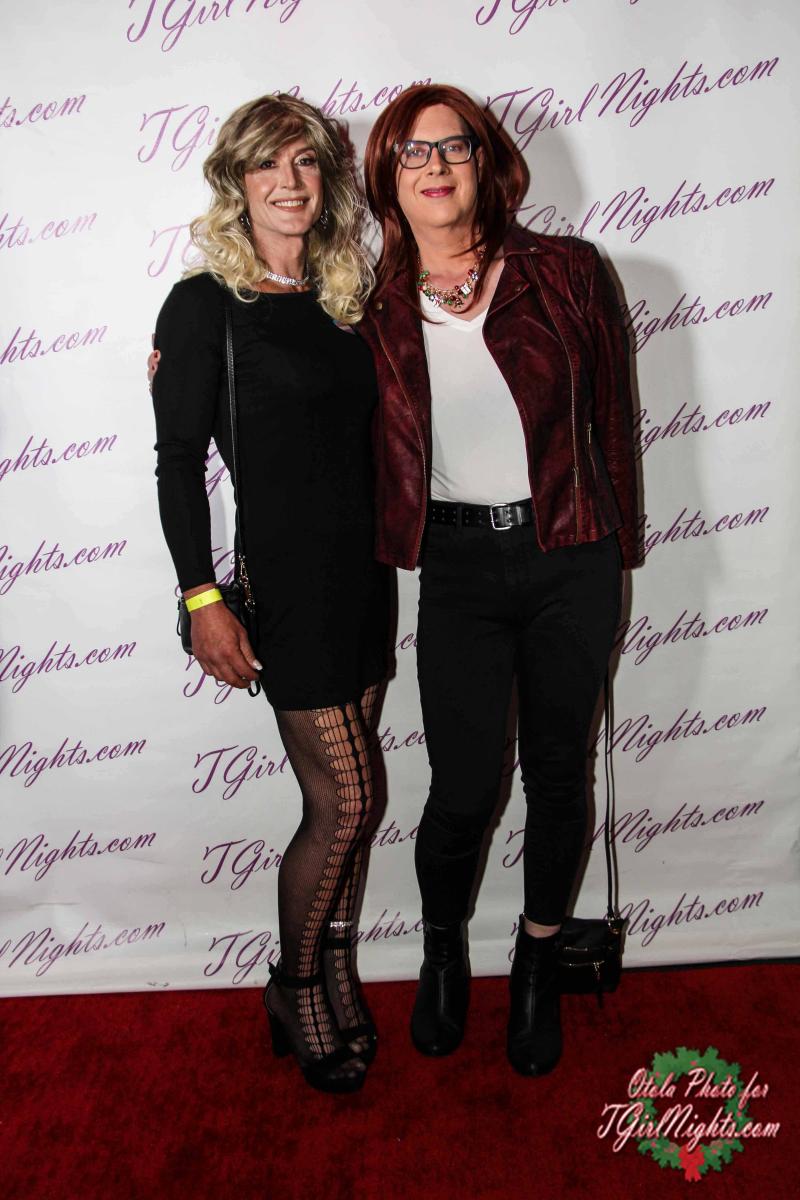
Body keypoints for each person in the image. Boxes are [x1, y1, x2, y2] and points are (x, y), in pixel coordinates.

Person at [359, 83, 642, 1076]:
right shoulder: (370, 310)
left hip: (570, 552)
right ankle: (442, 951)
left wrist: (615, 544)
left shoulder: (566, 271)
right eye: (411, 152)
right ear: (388, 179)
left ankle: (535, 961)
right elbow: (295, 397)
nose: (434, 166)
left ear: (487, 163)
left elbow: (613, 419)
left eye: (454, 146)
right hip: (458, 567)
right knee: (464, 785)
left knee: (559, 775)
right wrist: (192, 363)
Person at [150, 94, 391, 1094]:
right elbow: (176, 464)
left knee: (347, 808)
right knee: (349, 798)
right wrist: (200, 598)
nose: (288, 183)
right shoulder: (204, 305)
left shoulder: (347, 296)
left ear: (326, 179)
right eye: (266, 166)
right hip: (284, 586)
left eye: (305, 163)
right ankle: (294, 985)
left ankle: (335, 965)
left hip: (365, 577)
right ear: (237, 182)